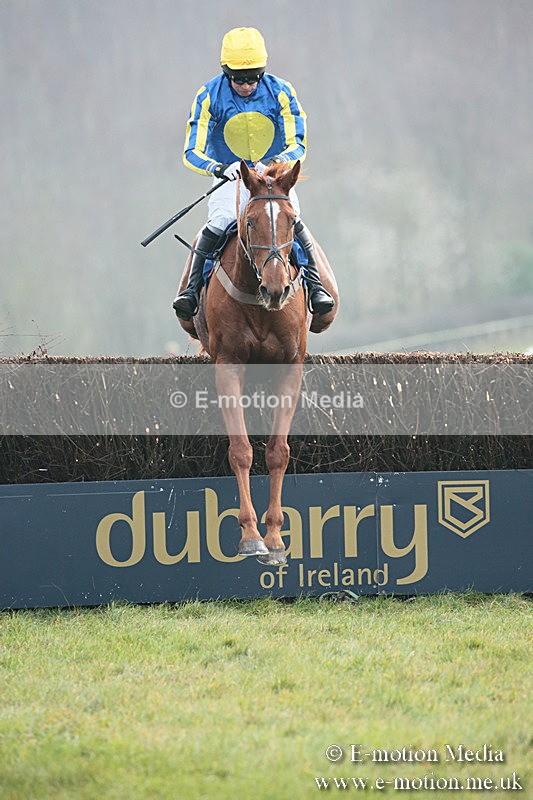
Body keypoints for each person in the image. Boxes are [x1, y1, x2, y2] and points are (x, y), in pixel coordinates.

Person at [173, 26, 335, 321]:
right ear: (226, 72)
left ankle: (316, 287)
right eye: (238, 79)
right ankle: (191, 291)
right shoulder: (208, 95)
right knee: (220, 222)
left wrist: (273, 163)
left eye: (252, 78)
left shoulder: (282, 91)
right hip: (229, 178)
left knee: (291, 220)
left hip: (274, 180)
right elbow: (191, 152)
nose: (246, 85)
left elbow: (297, 143)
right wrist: (221, 168)